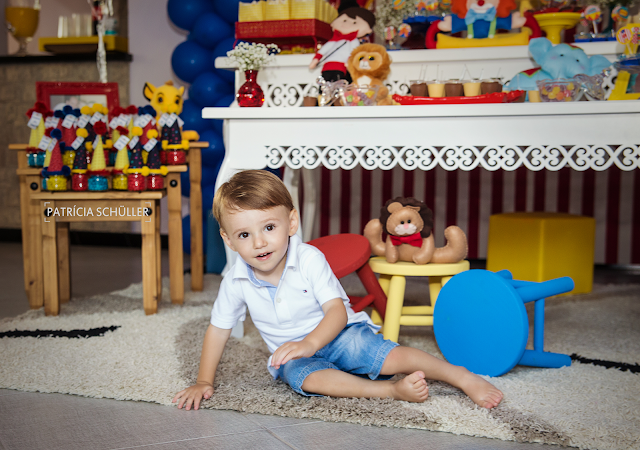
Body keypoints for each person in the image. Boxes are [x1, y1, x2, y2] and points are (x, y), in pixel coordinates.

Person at [172, 170, 503, 411]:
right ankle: (390, 393)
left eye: (269, 227)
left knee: (381, 353)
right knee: (303, 378)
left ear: (291, 223)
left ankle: (459, 376)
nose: (259, 242)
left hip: (339, 333)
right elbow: (218, 330)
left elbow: (336, 311)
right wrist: (204, 381)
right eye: (244, 235)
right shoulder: (235, 279)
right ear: (228, 240)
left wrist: (310, 342)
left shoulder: (308, 258)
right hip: (296, 357)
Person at [308, 0, 376, 83]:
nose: (347, 24)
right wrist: (316, 59)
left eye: (354, 22)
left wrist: (349, 63)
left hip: (341, 67)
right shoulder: (334, 40)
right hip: (327, 66)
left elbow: (353, 53)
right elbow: (323, 50)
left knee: (339, 85)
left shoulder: (353, 41)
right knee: (325, 85)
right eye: (345, 20)